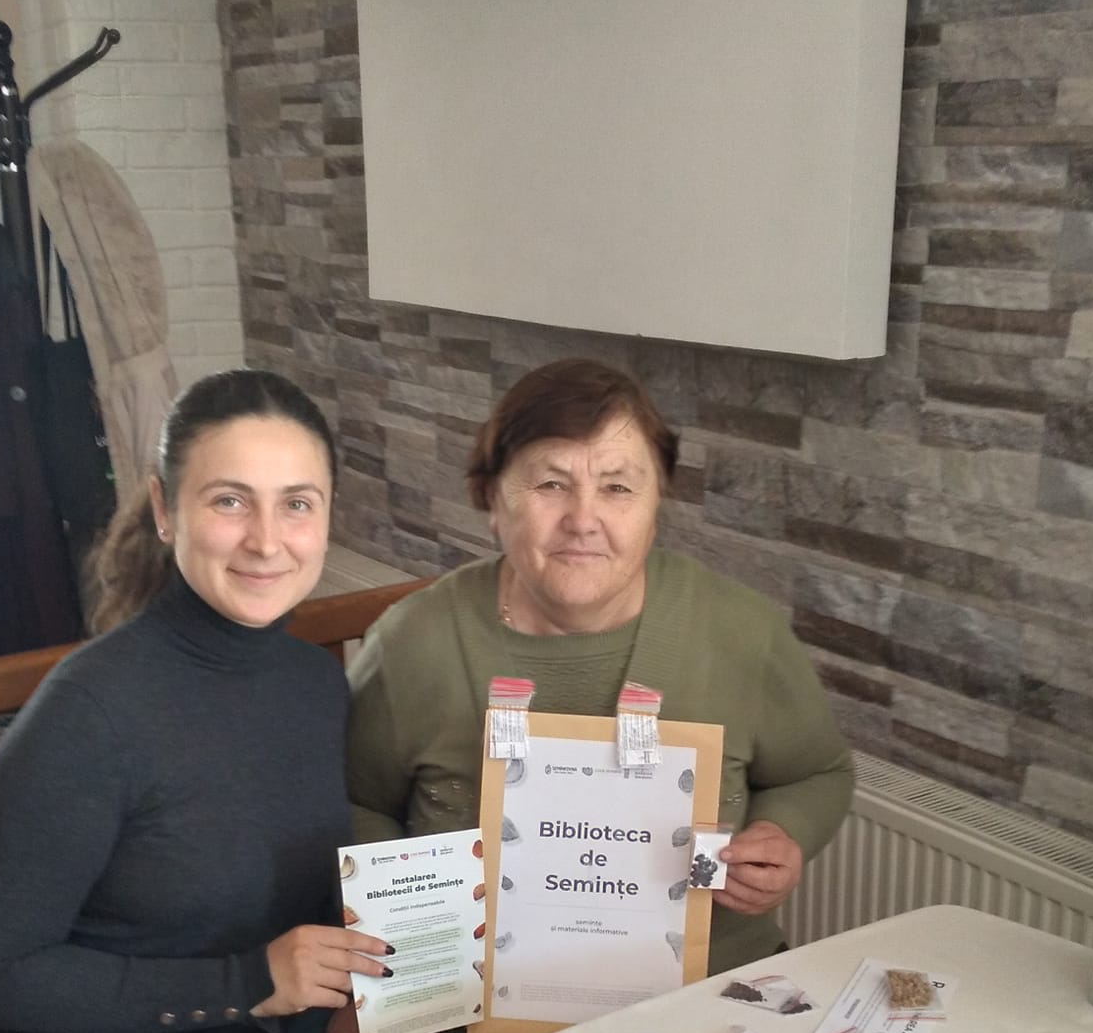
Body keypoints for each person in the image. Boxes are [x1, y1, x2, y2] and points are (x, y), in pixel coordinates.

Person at [0, 370, 407, 1033]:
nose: (266, 540)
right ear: (165, 511)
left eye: (297, 504)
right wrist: (249, 981)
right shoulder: (89, 711)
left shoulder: (315, 683)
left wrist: (378, 1005)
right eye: (230, 501)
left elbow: (302, 884)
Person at [346, 358, 854, 974]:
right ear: (492, 499)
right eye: (550, 484)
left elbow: (817, 773)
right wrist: (409, 932)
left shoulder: (741, 631)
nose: (583, 521)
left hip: (705, 989)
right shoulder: (413, 644)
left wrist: (784, 838)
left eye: (617, 488)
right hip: (472, 991)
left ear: (656, 504)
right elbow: (354, 804)